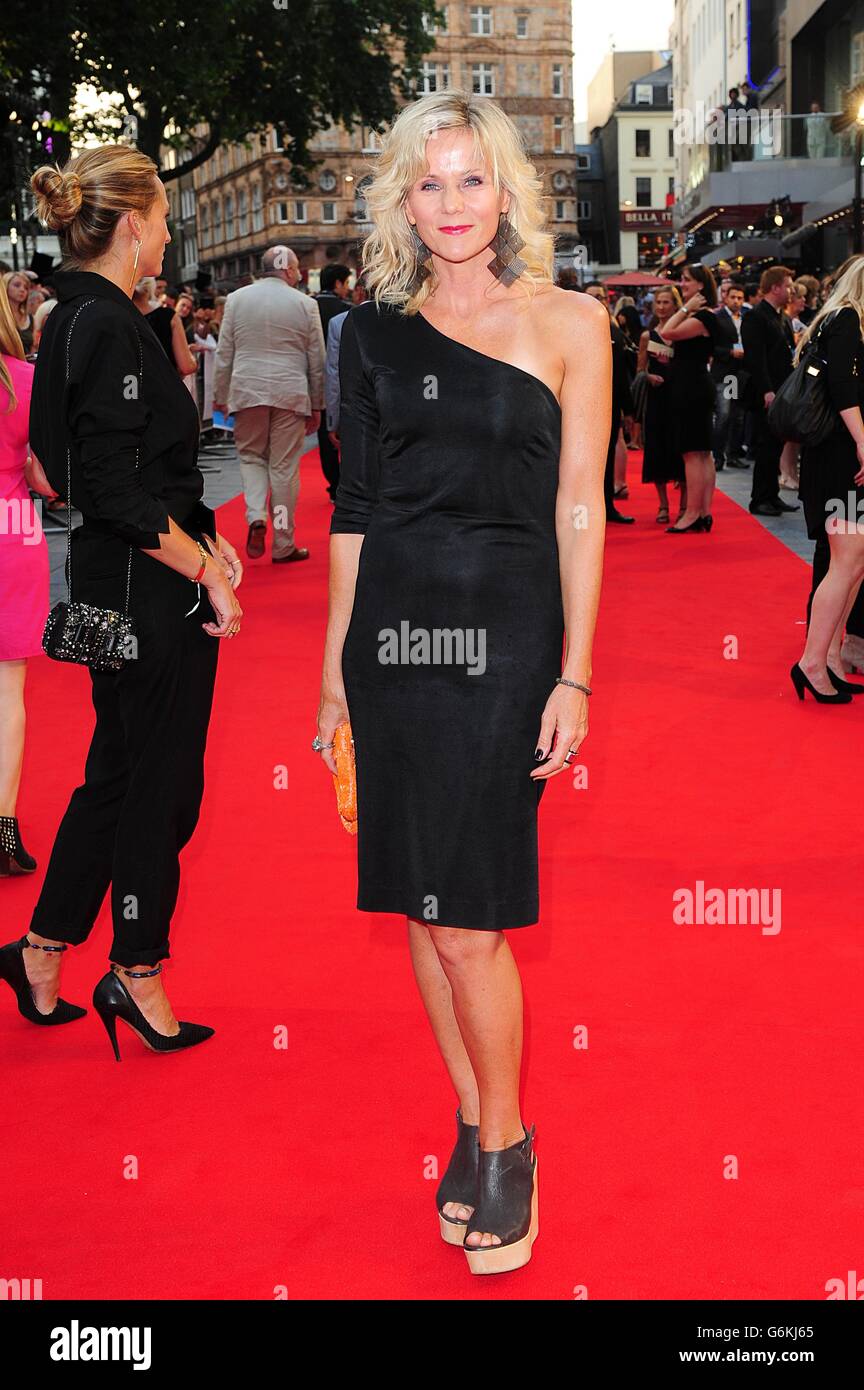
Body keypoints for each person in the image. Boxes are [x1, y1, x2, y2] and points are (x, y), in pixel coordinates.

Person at [317, 90, 610, 1273]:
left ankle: (506, 1141)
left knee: (474, 919)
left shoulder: (570, 323)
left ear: (507, 191)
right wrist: (338, 675)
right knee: (423, 908)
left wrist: (577, 674)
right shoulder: (370, 336)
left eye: (471, 179)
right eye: (429, 182)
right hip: (392, 642)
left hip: (507, 643)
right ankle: (473, 1110)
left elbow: (580, 506)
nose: (451, 203)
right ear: (402, 198)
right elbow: (356, 510)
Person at [0, 146, 243, 1054]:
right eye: (167, 216)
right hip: (146, 589)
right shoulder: (105, 325)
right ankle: (136, 969)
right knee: (161, 789)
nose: (172, 231)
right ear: (133, 223)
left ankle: (40, 947)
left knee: (119, 774)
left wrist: (205, 540)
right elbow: (108, 484)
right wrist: (202, 566)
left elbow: (85, 472)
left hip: (126, 575)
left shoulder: (73, 317)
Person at [213, 245, 324, 563]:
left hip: (247, 390)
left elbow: (225, 353)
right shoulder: (304, 304)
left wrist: (220, 396)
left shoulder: (236, 300)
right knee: (283, 467)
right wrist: (317, 403)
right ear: (288, 270)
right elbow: (316, 359)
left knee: (251, 457)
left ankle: (256, 516)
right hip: (290, 392)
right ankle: (282, 542)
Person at [793, 256, 864, 701]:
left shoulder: (841, 322)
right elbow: (842, 389)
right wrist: (863, 442)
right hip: (841, 461)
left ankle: (831, 658)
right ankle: (812, 662)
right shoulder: (845, 320)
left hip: (844, 459)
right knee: (846, 563)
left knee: (853, 565)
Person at [0, 280, 51, 877]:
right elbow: (45, 479)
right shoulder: (24, 379)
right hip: (14, 540)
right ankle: (3, 822)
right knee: (7, 695)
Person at [657, 262, 722, 532]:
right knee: (702, 453)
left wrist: (684, 307)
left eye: (686, 280)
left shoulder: (703, 316)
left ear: (700, 285)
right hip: (695, 385)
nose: (681, 284)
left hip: (692, 388)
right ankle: (703, 512)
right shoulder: (706, 317)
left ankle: (693, 513)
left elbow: (666, 332)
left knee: (693, 454)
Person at [741, 265, 800, 517]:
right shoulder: (756, 317)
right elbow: (756, 358)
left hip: (781, 390)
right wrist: (766, 390)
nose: (791, 290)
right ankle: (759, 499)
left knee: (775, 445)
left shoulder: (780, 316)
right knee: (766, 446)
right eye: (788, 285)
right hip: (768, 393)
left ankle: (771, 495)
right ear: (775, 287)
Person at [637, 284, 685, 523]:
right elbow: (639, 369)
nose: (662, 307)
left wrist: (671, 366)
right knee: (656, 449)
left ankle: (685, 505)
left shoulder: (682, 332)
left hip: (679, 397)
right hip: (657, 399)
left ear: (675, 305)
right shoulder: (647, 335)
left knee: (680, 448)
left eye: (666, 302)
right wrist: (649, 376)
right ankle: (663, 504)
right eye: (658, 303)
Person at [313, 263, 353, 502]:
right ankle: (346, 482)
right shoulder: (347, 311)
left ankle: (334, 483)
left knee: (325, 435)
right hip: (342, 378)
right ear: (337, 283)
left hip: (315, 379)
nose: (347, 289)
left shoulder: (308, 307)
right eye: (346, 283)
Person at [711, 280, 748, 470]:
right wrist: (729, 353)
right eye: (733, 297)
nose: (736, 301)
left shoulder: (747, 317)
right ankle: (718, 456)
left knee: (737, 416)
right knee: (724, 415)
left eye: (740, 298)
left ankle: (733, 454)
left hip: (741, 373)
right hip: (725, 372)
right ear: (725, 298)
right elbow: (712, 347)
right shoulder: (718, 318)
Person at [132, 276, 197, 377]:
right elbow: (186, 366)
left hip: (128, 389)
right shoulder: (168, 317)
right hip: (163, 386)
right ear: (151, 288)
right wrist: (193, 359)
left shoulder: (117, 318)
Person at [2, 271, 35, 355]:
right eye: (17, 285)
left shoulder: (30, 317)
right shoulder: (2, 317)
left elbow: (32, 347)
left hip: (26, 364)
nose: (22, 290)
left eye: (26, 288)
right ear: (5, 287)